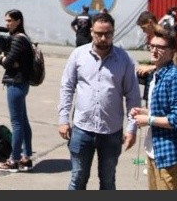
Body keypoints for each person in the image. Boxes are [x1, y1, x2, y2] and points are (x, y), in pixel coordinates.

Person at [58, 12, 141, 190]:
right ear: (91, 31)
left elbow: (133, 96)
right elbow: (67, 87)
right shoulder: (78, 55)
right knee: (77, 178)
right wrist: (63, 119)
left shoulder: (124, 59)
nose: (103, 38)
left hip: (111, 132)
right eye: (99, 34)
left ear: (113, 33)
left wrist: (132, 128)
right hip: (82, 130)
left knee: (108, 180)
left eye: (108, 34)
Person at [131, 28, 177, 190]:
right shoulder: (157, 75)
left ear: (172, 51)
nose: (154, 50)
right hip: (155, 151)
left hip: (170, 155)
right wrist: (144, 113)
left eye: (160, 47)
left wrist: (148, 119)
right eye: (151, 46)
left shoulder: (174, 79)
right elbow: (163, 112)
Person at [0, 9, 35, 173]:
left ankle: (14, 160)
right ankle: (26, 157)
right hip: (21, 83)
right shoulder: (24, 38)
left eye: (10, 20)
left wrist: (2, 57)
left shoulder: (18, 39)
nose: (7, 24)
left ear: (18, 21)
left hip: (16, 84)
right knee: (23, 121)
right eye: (6, 21)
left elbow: (7, 62)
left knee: (17, 123)